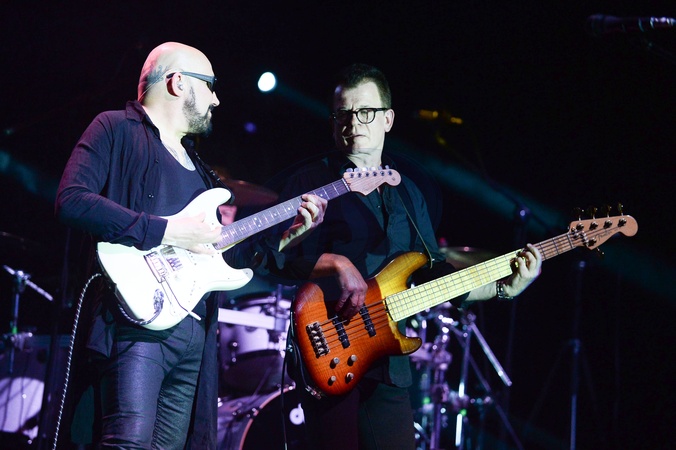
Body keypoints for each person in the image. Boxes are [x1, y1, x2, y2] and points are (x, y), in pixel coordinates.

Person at [54, 42, 326, 449]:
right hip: (137, 325)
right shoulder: (115, 128)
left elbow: (221, 254)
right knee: (128, 442)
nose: (216, 99)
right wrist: (166, 231)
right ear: (178, 83)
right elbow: (72, 200)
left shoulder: (202, 172)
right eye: (210, 85)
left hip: (193, 334)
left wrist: (289, 235)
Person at [264, 63, 543, 449]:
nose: (352, 122)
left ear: (388, 119)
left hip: (389, 360)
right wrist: (335, 264)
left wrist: (503, 288)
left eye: (365, 112)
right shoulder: (310, 183)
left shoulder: (409, 194)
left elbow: (434, 276)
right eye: (342, 113)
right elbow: (273, 258)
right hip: (329, 350)